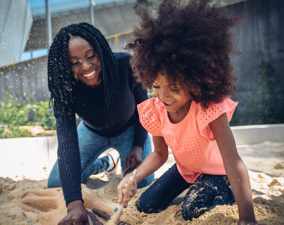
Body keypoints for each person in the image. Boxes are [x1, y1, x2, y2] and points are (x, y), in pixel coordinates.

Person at [117, 0, 261, 224]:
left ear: (195, 81)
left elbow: (233, 162)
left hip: (218, 173)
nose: (163, 97)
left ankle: (227, 193)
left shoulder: (209, 109)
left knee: (191, 210)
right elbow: (159, 154)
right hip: (187, 171)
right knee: (146, 205)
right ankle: (196, 190)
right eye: (156, 86)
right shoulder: (155, 110)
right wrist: (133, 176)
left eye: (174, 88)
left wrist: (247, 218)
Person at [47, 22, 154, 225]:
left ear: (100, 51)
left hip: (130, 130)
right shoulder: (64, 87)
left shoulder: (125, 65)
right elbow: (67, 142)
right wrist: (74, 205)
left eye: (90, 56)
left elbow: (145, 110)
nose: (86, 66)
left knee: (144, 184)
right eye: (75, 62)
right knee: (55, 184)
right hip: (91, 132)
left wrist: (138, 146)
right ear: (65, 65)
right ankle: (104, 164)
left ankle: (118, 158)